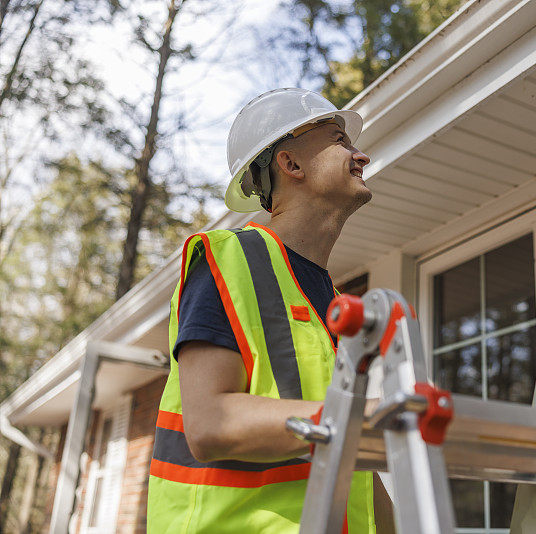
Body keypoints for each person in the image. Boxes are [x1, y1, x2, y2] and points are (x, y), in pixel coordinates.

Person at [147, 88, 394, 533]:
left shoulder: (334, 304)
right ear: (291, 164)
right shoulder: (231, 259)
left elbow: (344, 444)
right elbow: (209, 424)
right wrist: (374, 416)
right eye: (340, 141)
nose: (362, 157)